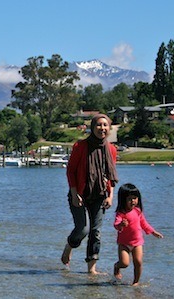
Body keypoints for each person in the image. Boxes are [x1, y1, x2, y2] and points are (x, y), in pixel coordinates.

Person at [61, 114, 119, 274]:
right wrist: (74, 193)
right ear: (92, 127)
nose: (102, 128)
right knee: (83, 229)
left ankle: (91, 269)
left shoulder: (111, 149)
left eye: (105, 125)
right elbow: (71, 171)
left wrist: (110, 195)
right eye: (99, 125)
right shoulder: (80, 146)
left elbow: (111, 174)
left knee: (96, 232)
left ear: (109, 128)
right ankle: (70, 245)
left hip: (100, 194)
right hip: (79, 193)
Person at [113, 183, 163, 286]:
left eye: (135, 198)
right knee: (125, 263)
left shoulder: (138, 211)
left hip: (137, 242)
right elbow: (116, 224)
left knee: (138, 262)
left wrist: (153, 232)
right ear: (123, 200)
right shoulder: (121, 213)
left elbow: (144, 224)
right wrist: (121, 224)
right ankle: (117, 267)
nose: (133, 201)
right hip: (124, 243)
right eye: (130, 199)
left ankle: (136, 282)